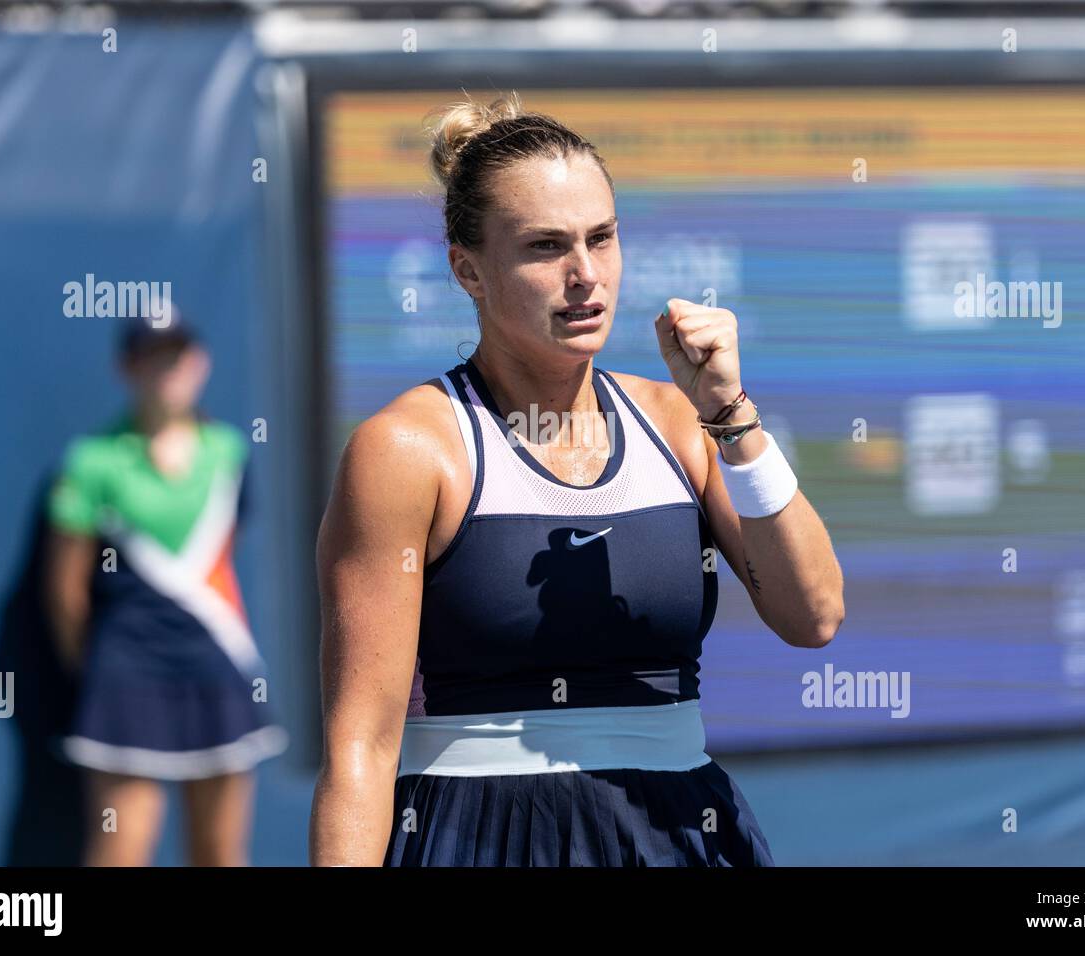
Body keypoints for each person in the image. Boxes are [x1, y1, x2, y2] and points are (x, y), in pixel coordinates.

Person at [310, 92, 844, 866]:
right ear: (469, 270)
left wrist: (732, 415)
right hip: (473, 838)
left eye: (602, 238)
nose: (585, 275)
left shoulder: (684, 420)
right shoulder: (406, 449)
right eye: (545, 247)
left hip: (682, 834)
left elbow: (815, 614)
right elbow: (359, 748)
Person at [45, 312, 287, 866]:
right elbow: (65, 591)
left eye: (177, 354)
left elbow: (224, 556)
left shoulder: (229, 451)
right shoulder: (91, 461)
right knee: (120, 848)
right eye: (152, 355)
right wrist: (98, 670)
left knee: (222, 853)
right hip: (127, 675)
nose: (167, 368)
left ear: (199, 362)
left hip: (218, 665)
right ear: (126, 368)